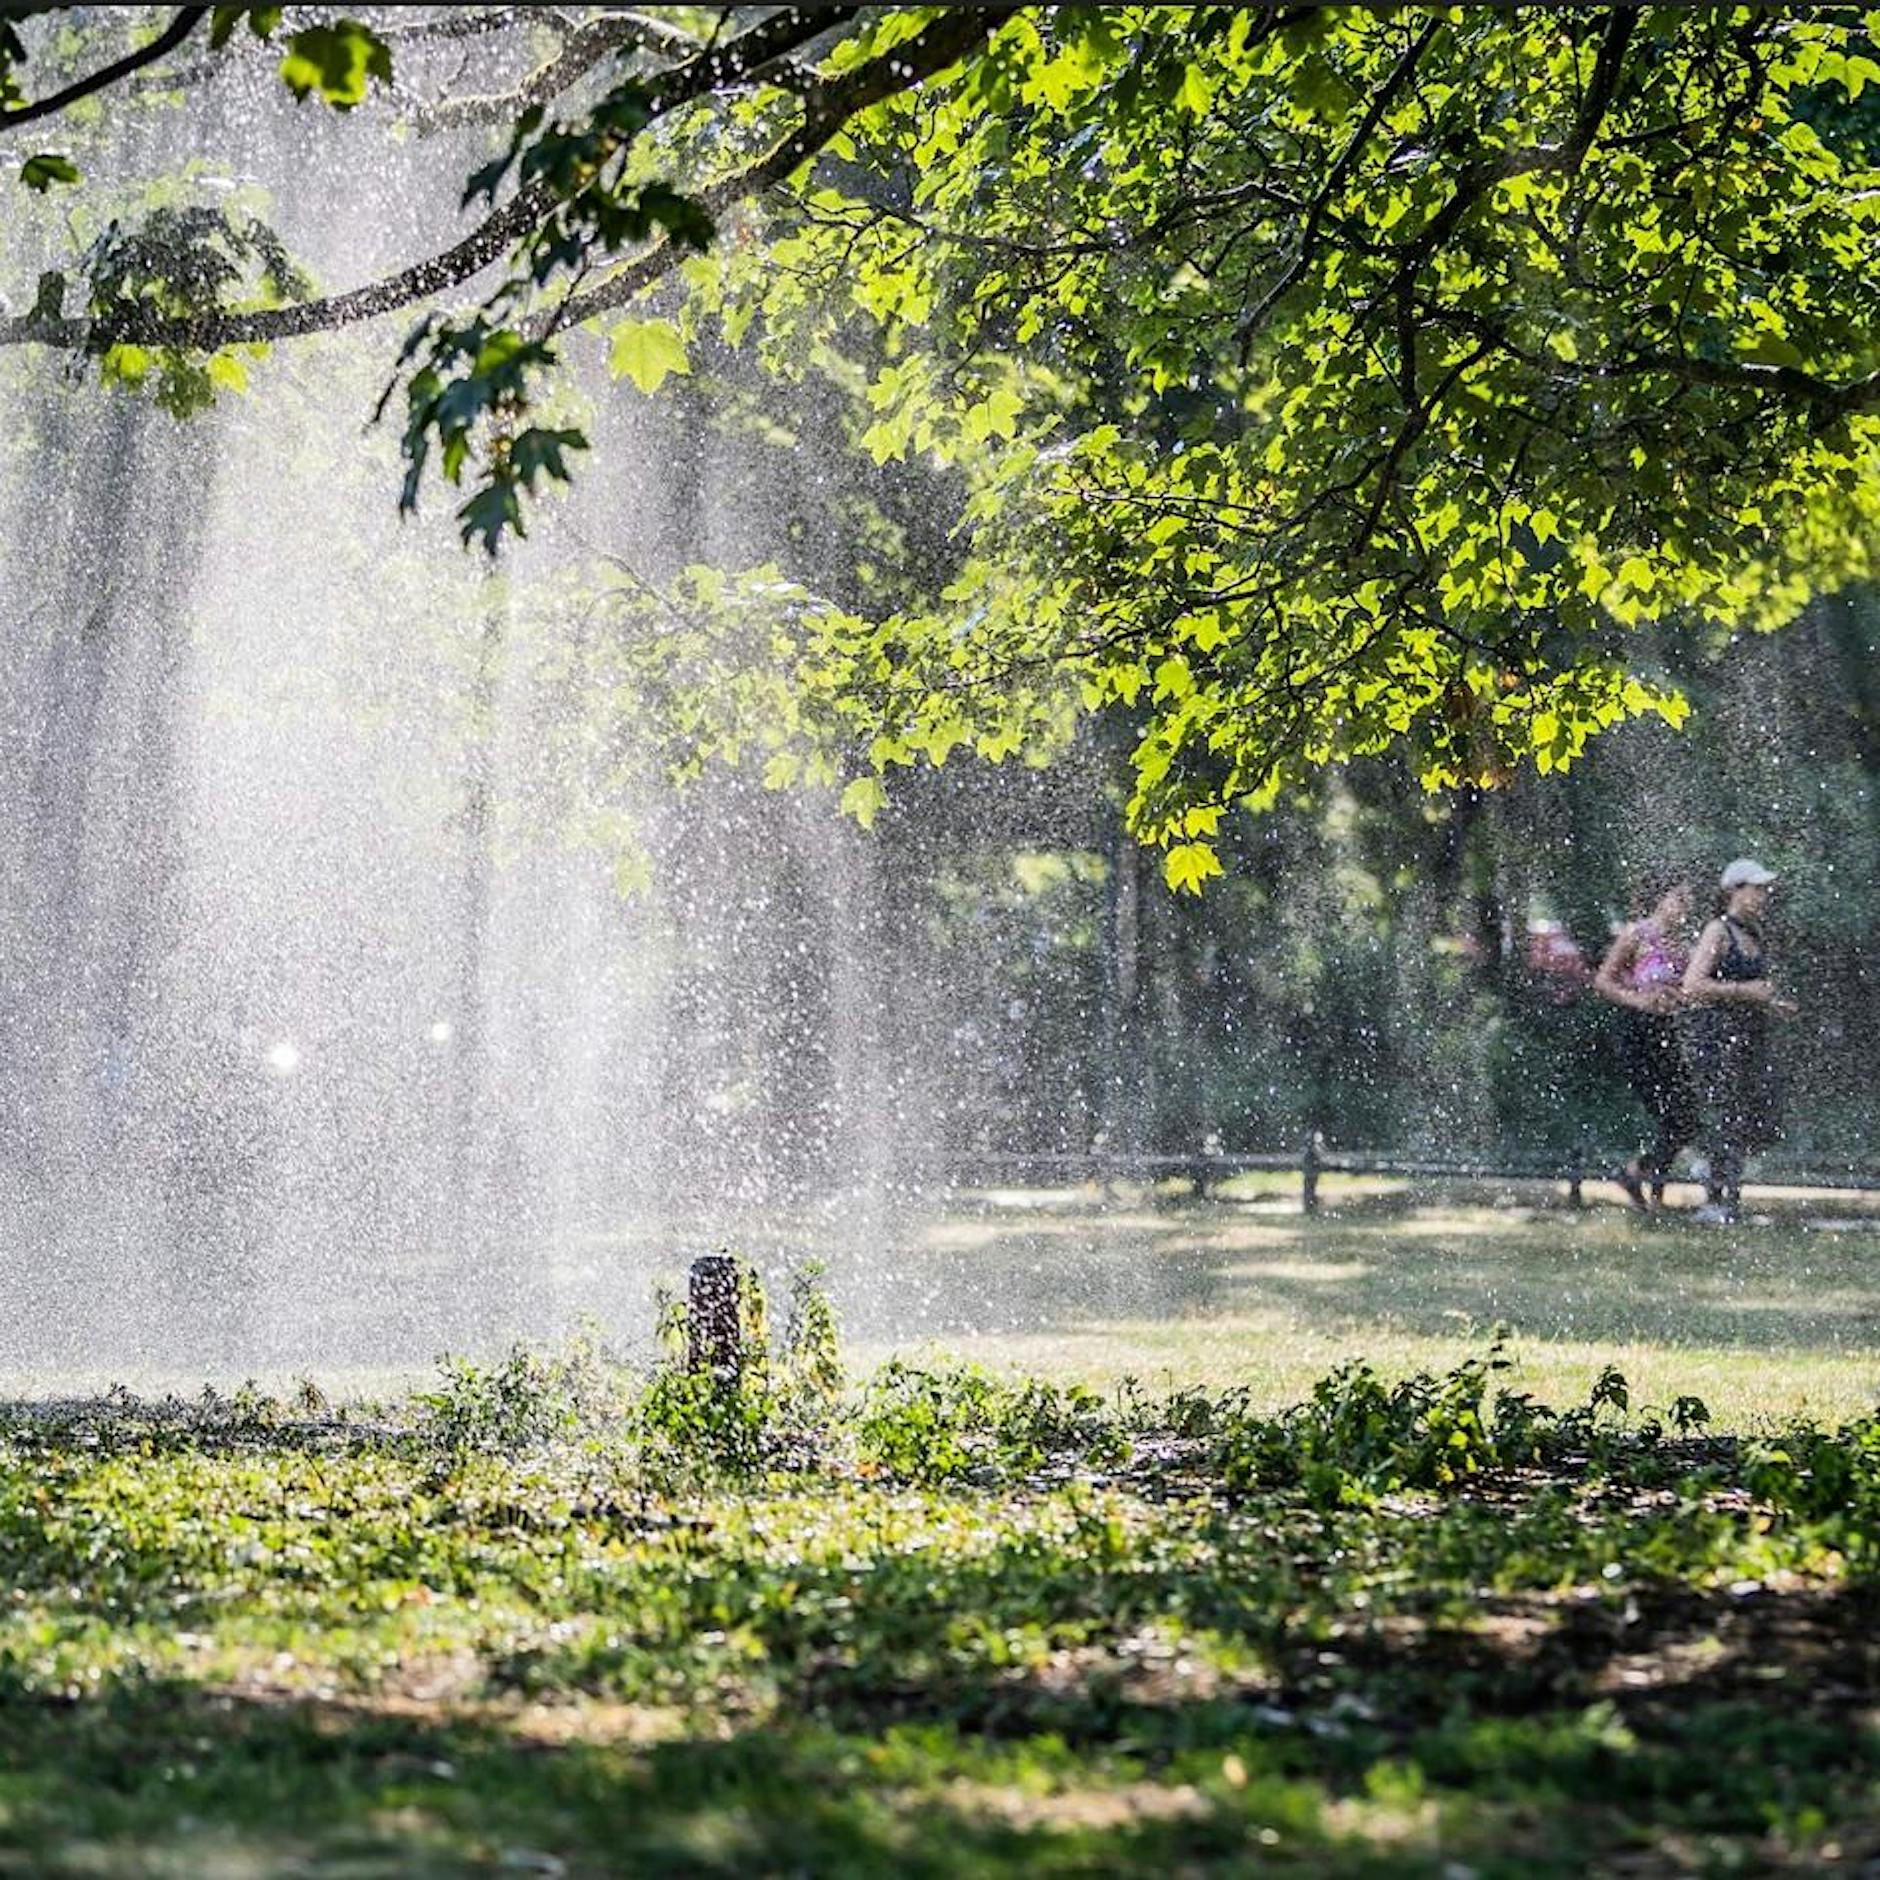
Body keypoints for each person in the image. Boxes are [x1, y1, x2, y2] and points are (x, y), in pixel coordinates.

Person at [1681, 858, 1797, 1223]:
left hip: (1749, 1036)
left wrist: (1772, 1004)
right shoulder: (1718, 930)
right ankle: (1719, 1199)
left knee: (1759, 1110)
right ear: (1734, 890)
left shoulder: (1754, 934)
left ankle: (1715, 1175)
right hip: (1718, 1037)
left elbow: (1753, 993)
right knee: (1728, 1116)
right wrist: (1745, 990)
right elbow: (1692, 985)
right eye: (1756, 888)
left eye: (1765, 889)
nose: (1763, 895)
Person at [1594, 875, 1698, 1210]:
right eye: (1678, 898)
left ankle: (1640, 1176)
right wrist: (1636, 1000)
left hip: (1665, 1031)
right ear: (1660, 899)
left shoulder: (1681, 946)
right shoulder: (1636, 935)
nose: (1684, 906)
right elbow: (1602, 981)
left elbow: (1688, 990)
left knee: (1686, 1117)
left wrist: (1678, 998)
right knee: (1670, 1115)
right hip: (1635, 1030)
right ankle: (1649, 1185)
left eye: (1687, 900)